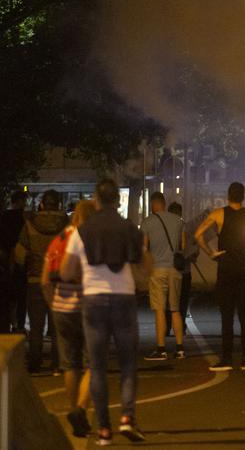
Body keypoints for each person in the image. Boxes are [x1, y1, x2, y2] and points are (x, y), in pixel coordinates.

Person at [61, 179, 149, 445]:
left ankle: (103, 430)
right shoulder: (130, 229)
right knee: (128, 364)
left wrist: (82, 273)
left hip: (93, 301)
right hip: (123, 298)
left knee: (97, 366)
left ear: (96, 200)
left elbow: (65, 271)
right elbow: (145, 269)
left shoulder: (82, 232)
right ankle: (127, 418)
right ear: (118, 201)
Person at [195, 182, 245, 372]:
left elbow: (198, 234)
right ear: (243, 196)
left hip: (225, 267)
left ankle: (226, 358)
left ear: (228, 196)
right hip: (244, 267)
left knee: (226, 316)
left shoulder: (218, 214)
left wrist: (211, 253)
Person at [41, 200, 96, 437]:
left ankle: (74, 409)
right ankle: (81, 409)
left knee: (70, 364)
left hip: (61, 308)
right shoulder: (90, 240)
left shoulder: (58, 239)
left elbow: (45, 279)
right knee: (96, 363)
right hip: (87, 308)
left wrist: (52, 303)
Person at [19, 190, 69, 374]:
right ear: (58, 205)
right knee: (57, 327)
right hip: (59, 281)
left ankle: (34, 362)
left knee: (36, 326)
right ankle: (57, 363)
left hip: (35, 280)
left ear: (42, 204)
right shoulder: (66, 225)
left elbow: (19, 256)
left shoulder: (30, 225)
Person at [140, 192, 186, 361]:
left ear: (153, 204)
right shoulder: (178, 221)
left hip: (157, 269)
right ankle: (180, 349)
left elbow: (144, 248)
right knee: (175, 309)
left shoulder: (147, 222)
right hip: (175, 269)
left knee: (159, 309)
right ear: (164, 204)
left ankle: (161, 349)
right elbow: (183, 245)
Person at [165, 202, 199, 336]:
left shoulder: (165, 228)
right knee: (182, 301)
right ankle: (181, 326)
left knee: (168, 300)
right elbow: (193, 248)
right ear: (180, 213)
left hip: (168, 269)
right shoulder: (186, 227)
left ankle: (166, 326)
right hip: (184, 269)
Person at [0, 190, 28, 333]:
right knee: (21, 295)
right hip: (21, 260)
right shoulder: (25, 218)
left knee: (7, 295)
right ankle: (20, 324)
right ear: (19, 201)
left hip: (6, 260)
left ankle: (7, 323)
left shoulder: (4, 217)